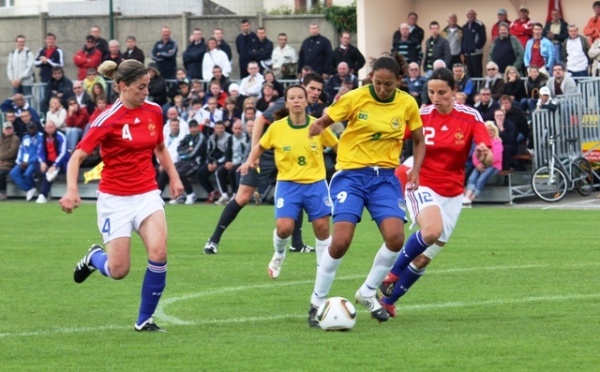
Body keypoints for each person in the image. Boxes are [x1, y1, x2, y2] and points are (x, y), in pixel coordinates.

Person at [59, 59, 184, 332]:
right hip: (115, 200)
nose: (146, 92)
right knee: (119, 270)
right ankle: (94, 258)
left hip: (147, 194)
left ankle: (144, 320)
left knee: (159, 253)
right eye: (141, 87)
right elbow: (77, 156)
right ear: (123, 87)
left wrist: (174, 178)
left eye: (148, 86)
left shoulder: (154, 112)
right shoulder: (106, 119)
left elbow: (160, 147)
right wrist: (71, 190)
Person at [306, 54, 426, 326]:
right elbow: (328, 118)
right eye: (378, 83)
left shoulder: (407, 103)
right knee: (341, 241)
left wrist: (415, 171)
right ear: (371, 77)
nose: (383, 89)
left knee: (396, 238)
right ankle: (317, 301)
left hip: (384, 177)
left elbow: (419, 141)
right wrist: (318, 125)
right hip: (351, 175)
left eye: (388, 85)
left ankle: (367, 291)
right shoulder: (355, 97)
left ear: (399, 81)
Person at [378, 67, 492, 318]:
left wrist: (485, 152)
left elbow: (486, 148)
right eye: (431, 92)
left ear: (455, 91)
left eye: (442, 92)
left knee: (424, 258)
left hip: (452, 191)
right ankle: (392, 274)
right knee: (430, 231)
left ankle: (388, 301)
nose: (436, 98)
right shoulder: (421, 115)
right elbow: (394, 135)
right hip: (420, 179)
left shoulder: (470, 116)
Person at [202, 73, 327, 255]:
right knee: (243, 197)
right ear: (302, 86)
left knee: (297, 189)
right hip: (265, 154)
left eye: (318, 90)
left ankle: (297, 243)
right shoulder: (286, 103)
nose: (315, 93)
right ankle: (214, 239)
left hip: (285, 157)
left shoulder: (307, 107)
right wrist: (255, 153)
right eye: (312, 88)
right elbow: (260, 120)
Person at [241, 84, 338, 279]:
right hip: (288, 184)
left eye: (300, 97)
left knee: (322, 228)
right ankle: (279, 254)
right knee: (284, 228)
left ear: (306, 101)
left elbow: (337, 146)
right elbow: (260, 146)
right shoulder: (277, 128)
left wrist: (346, 164)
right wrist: (249, 161)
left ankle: (322, 269)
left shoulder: (317, 125)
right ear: (286, 103)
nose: (296, 101)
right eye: (292, 98)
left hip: (316, 183)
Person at [462, 121, 503, 207]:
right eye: (487, 130)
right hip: (481, 164)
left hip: (493, 165)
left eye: (492, 130)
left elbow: (497, 157)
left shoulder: (497, 141)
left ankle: (470, 200)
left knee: (480, 180)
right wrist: (477, 164)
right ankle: (466, 198)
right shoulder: (481, 142)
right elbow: (474, 155)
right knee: (471, 179)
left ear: (495, 131)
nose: (490, 132)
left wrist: (485, 163)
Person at [172, 119, 206, 205]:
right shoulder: (187, 137)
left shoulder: (201, 137)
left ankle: (191, 194)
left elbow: (195, 153)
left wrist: (186, 153)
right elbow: (178, 149)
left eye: (195, 127)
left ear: (198, 128)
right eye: (191, 127)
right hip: (185, 161)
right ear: (189, 128)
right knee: (171, 170)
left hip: (196, 162)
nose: (193, 129)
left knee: (180, 173)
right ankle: (180, 195)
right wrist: (188, 150)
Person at [214, 120, 248, 205]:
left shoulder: (246, 138)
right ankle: (224, 195)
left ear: (242, 129)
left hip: (242, 162)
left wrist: (235, 164)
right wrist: (227, 162)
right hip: (232, 162)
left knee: (233, 170)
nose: (237, 130)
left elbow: (246, 154)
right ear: (232, 129)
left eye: (239, 128)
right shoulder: (230, 138)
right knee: (219, 171)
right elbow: (228, 153)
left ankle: (235, 194)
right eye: (235, 128)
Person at [35, 120, 69, 204]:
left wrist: (55, 165)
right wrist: (42, 162)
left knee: (50, 174)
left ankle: (43, 194)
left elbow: (63, 153)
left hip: (61, 162)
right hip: (48, 161)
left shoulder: (61, 136)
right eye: (47, 128)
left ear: (55, 128)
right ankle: (42, 193)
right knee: (37, 169)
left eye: (51, 127)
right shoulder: (42, 138)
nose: (49, 129)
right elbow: (40, 152)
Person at [9, 121, 43, 201]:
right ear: (27, 129)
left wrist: (29, 162)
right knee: (13, 173)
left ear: (36, 128)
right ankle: (29, 188)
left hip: (35, 161)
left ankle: (32, 188)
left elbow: (40, 152)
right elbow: (21, 150)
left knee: (27, 174)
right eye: (29, 128)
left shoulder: (41, 137)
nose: (31, 129)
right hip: (23, 161)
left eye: (33, 128)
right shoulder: (25, 137)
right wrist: (20, 161)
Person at [462, 9, 487, 78]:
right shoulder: (465, 26)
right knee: (469, 73)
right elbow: (463, 39)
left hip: (476, 53)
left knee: (477, 73)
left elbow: (483, 39)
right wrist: (463, 50)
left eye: (472, 14)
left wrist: (475, 48)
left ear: (475, 15)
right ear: (466, 16)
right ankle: (471, 88)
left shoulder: (480, 25)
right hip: (467, 54)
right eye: (469, 14)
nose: (471, 16)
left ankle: (478, 88)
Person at [0, 121, 20, 201]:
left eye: (10, 128)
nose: (8, 130)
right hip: (2, 162)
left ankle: (3, 192)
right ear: (3, 130)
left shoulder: (15, 139)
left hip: (10, 163)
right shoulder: (1, 139)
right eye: (7, 129)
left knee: (1, 174)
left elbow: (12, 153)